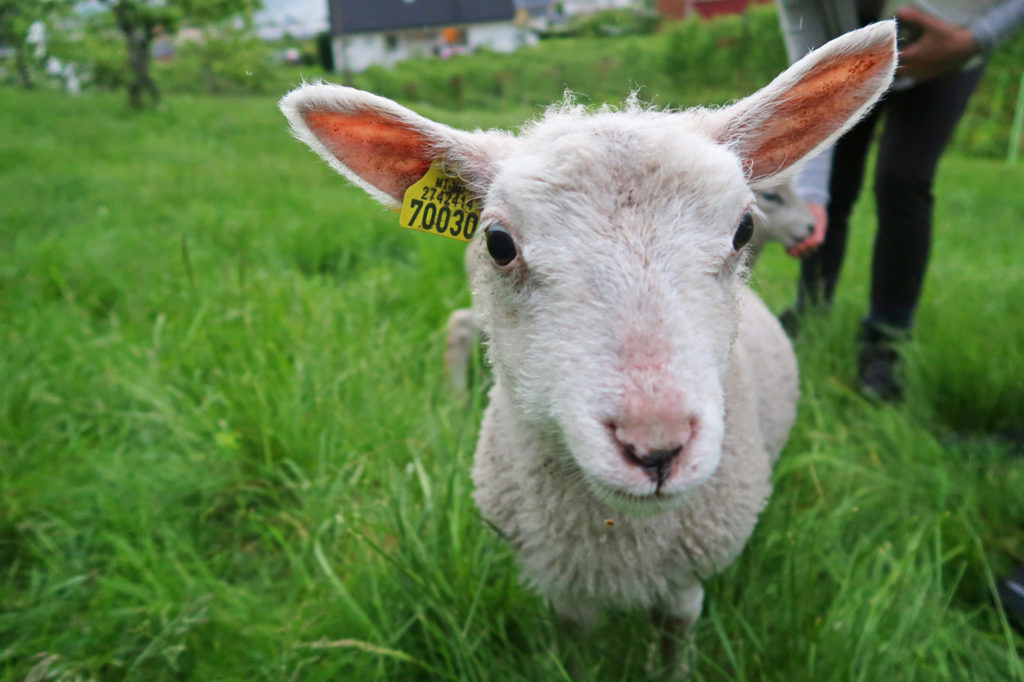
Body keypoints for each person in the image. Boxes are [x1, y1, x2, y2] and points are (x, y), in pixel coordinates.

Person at [773, 0, 1024, 401]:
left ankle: (886, 337)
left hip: (947, 54)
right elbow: (812, 87)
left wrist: (976, 40)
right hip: (850, 58)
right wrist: (811, 195)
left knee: (902, 178)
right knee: (834, 186)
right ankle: (811, 310)